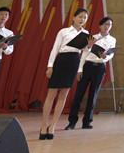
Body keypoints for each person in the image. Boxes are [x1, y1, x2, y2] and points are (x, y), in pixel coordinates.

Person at [40, 8, 94, 139]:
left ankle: (53, 126)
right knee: (51, 94)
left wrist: (89, 46)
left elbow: (84, 53)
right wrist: (50, 66)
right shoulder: (63, 31)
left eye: (85, 17)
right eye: (80, 16)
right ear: (73, 17)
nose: (82, 19)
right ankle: (44, 125)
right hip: (61, 60)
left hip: (74, 62)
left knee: (63, 95)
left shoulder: (86, 34)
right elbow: (55, 49)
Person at [67, 16, 115, 130]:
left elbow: (111, 53)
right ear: (100, 26)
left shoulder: (112, 39)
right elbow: (84, 54)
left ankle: (87, 121)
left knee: (93, 95)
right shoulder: (93, 37)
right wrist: (80, 70)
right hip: (88, 66)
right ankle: (72, 122)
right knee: (79, 94)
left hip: (100, 67)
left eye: (109, 25)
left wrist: (106, 57)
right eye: (105, 24)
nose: (107, 26)